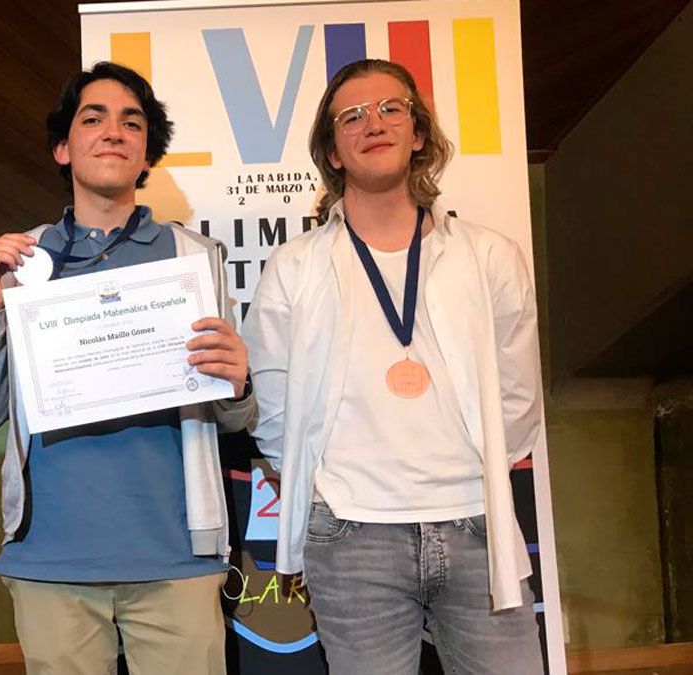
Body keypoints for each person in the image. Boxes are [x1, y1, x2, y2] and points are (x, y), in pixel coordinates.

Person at [242, 58, 544, 673]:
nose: (371, 124)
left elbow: (519, 393)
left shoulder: (489, 257)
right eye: (350, 117)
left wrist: (475, 469)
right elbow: (271, 404)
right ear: (332, 151)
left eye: (390, 109)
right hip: (352, 535)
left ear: (419, 134)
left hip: (477, 526)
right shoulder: (295, 267)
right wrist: (322, 487)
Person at [0, 62, 256, 675]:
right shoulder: (24, 259)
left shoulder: (193, 257)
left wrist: (238, 383)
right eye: (93, 119)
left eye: (131, 122)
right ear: (63, 148)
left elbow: (234, 415)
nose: (113, 132)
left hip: (177, 558)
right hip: (51, 561)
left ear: (148, 152)